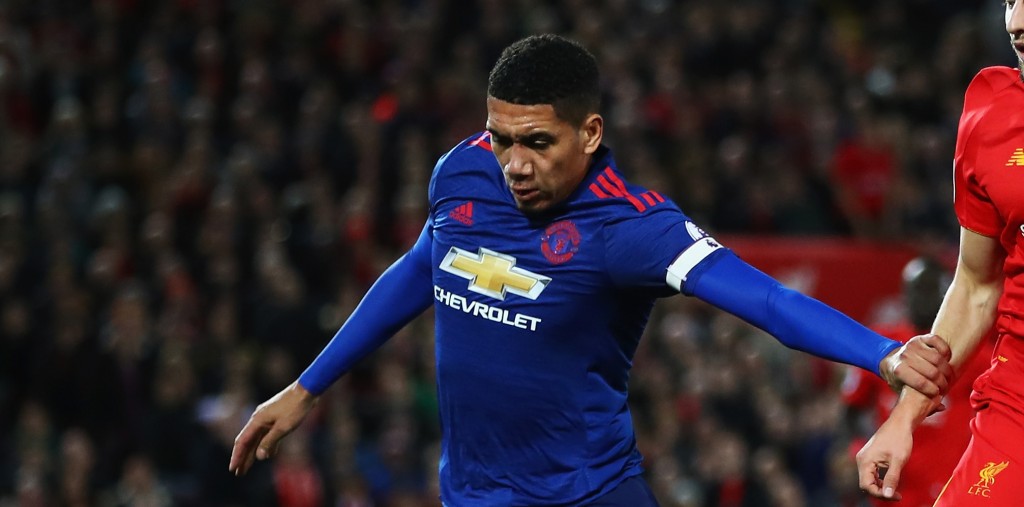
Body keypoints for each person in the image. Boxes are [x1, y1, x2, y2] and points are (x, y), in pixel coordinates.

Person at [229, 34, 952, 506]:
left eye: (537, 143)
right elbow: (422, 268)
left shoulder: (631, 227)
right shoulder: (462, 172)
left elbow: (765, 300)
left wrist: (883, 354)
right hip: (470, 493)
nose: (514, 165)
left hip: (587, 494)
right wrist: (306, 388)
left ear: (590, 132)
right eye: (501, 138)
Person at [856, 2, 1024, 504]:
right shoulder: (992, 115)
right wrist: (904, 416)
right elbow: (976, 285)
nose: (1016, 22)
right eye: (1009, 1)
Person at [842, 257, 993, 507]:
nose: (920, 298)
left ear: (948, 293)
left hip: (952, 487)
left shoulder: (975, 353)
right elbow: (851, 410)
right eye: (914, 289)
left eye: (929, 289)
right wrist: (861, 447)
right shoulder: (882, 345)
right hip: (894, 489)